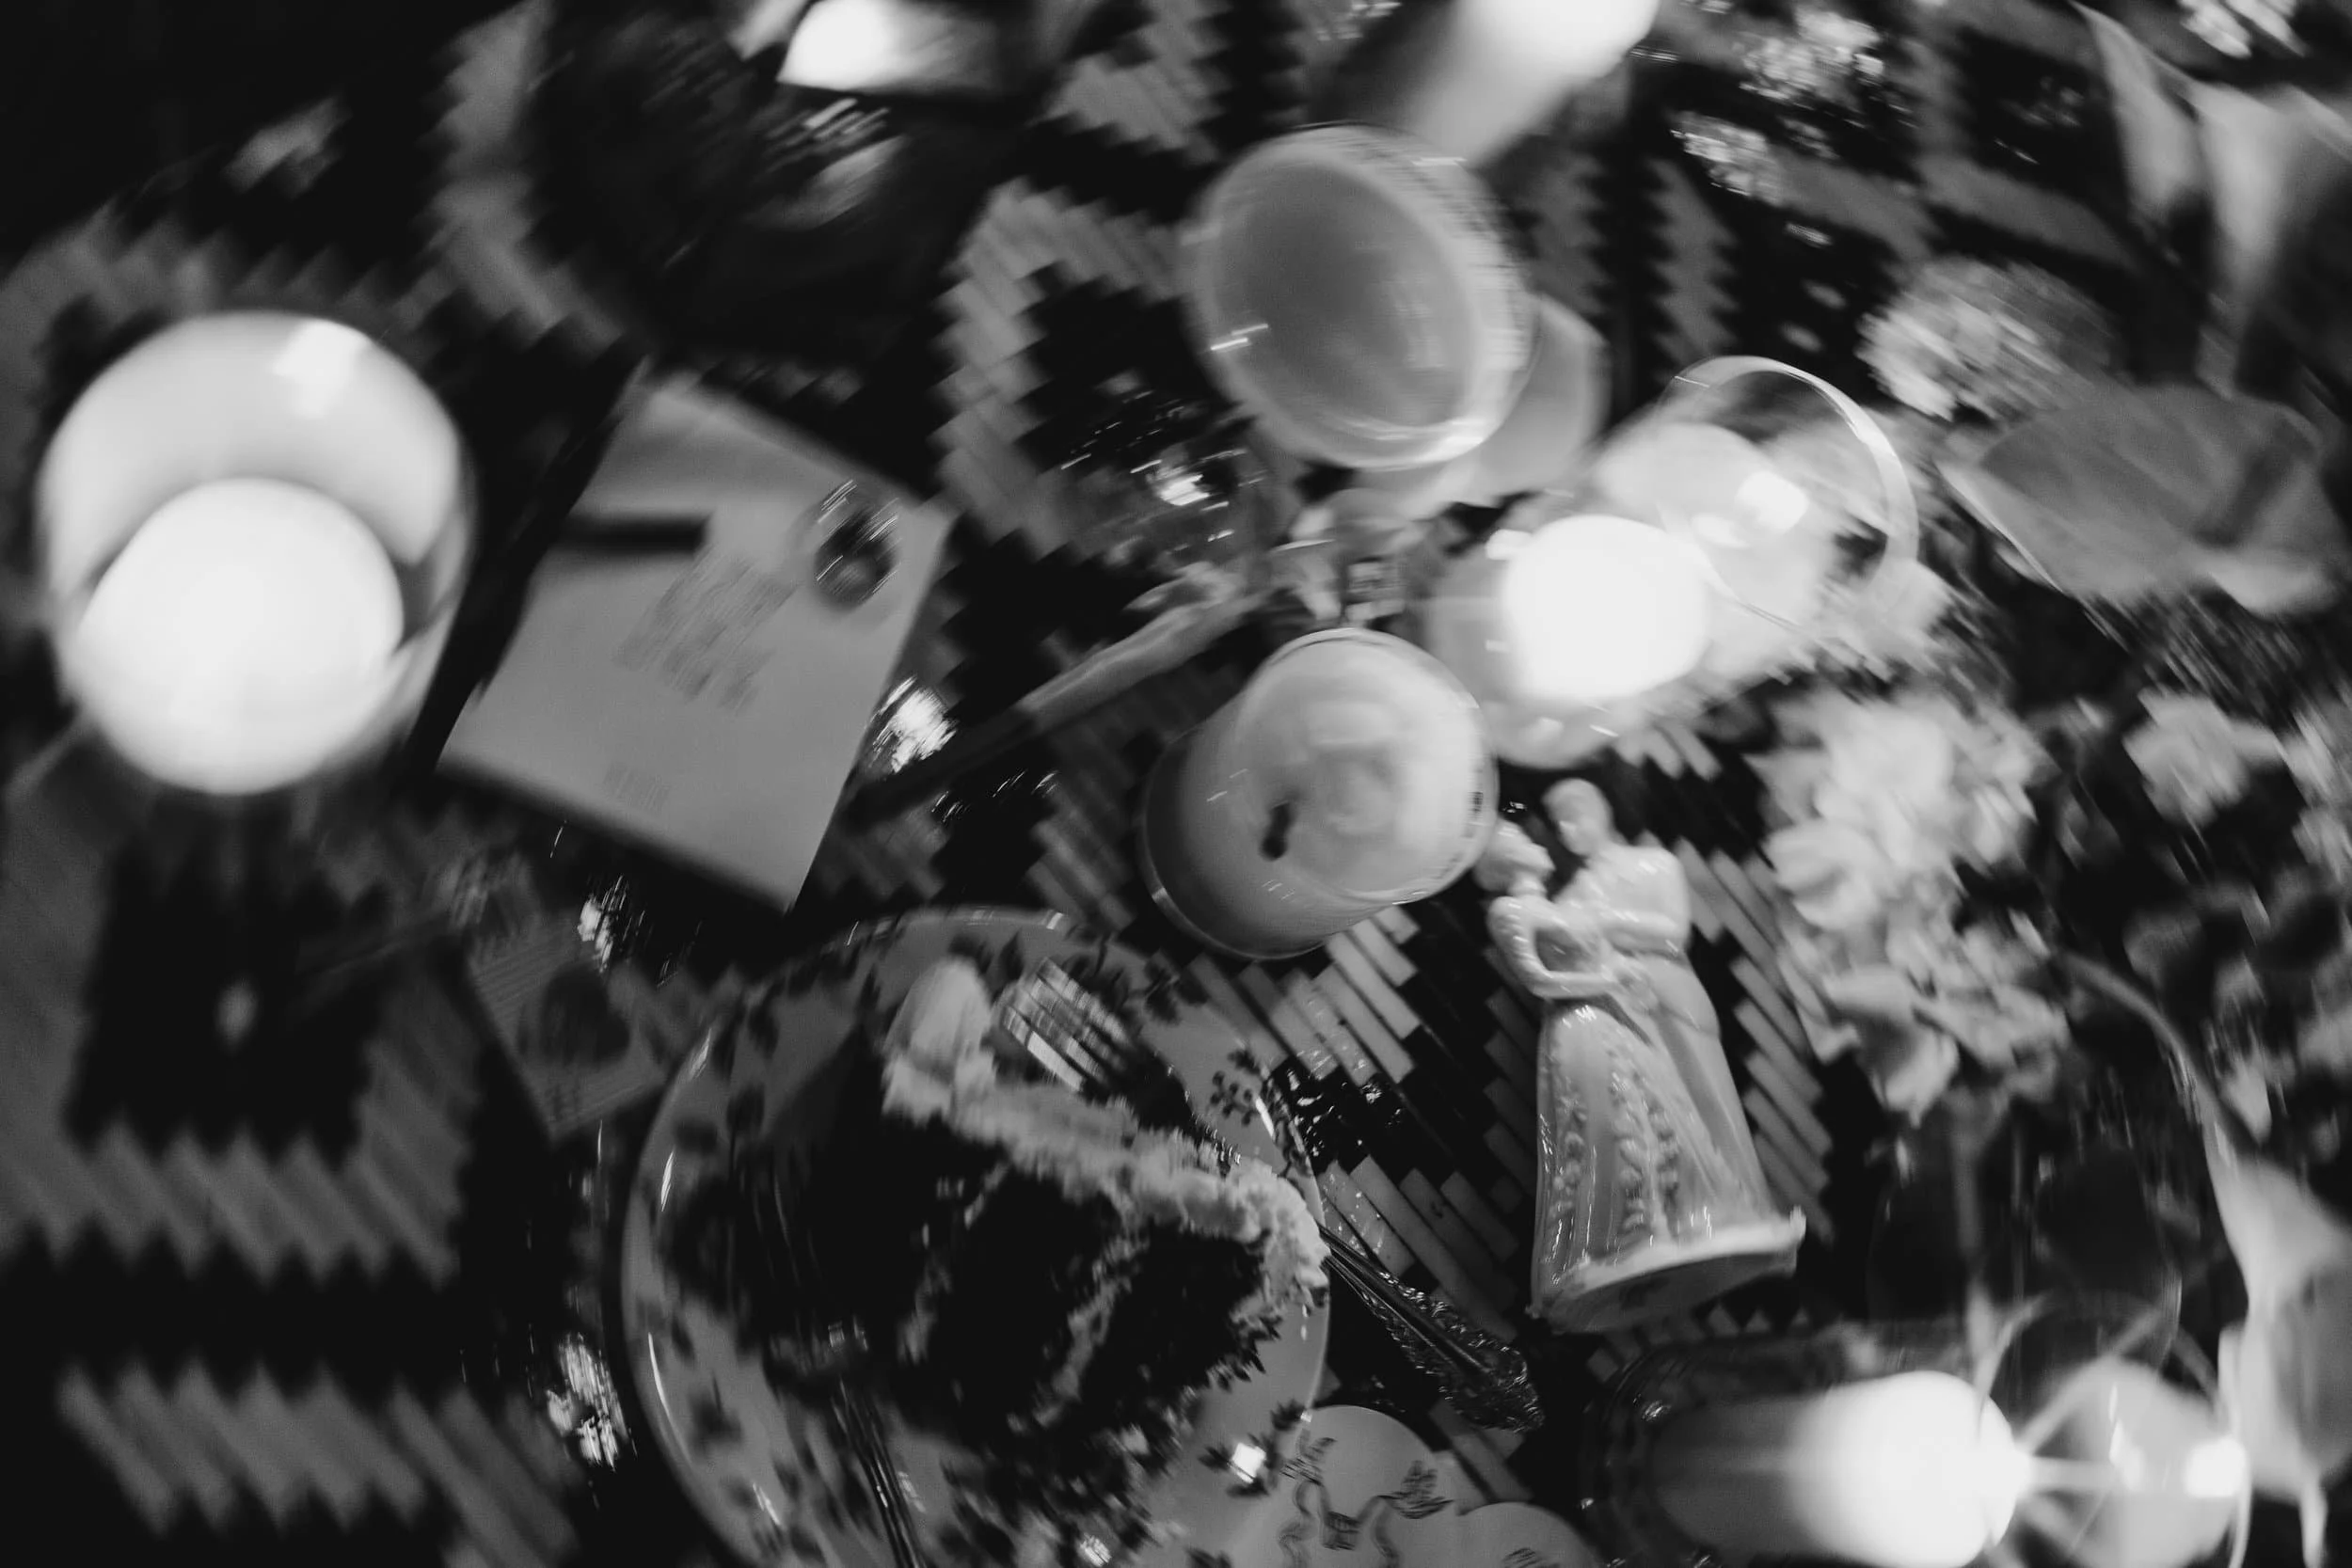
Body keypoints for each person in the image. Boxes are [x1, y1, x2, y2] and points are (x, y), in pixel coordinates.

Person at [1478, 781, 1802, 1329]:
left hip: (1664, 992)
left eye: (1575, 814)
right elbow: (1550, 962)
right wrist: (1604, 971)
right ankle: (1640, 1224)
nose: (1568, 831)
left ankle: (1734, 1206)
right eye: (1558, 824)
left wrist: (1609, 928)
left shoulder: (1653, 865)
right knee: (1631, 1120)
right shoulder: (1566, 893)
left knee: (1704, 1098)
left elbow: (1672, 931)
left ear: (1604, 809)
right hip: (1606, 1008)